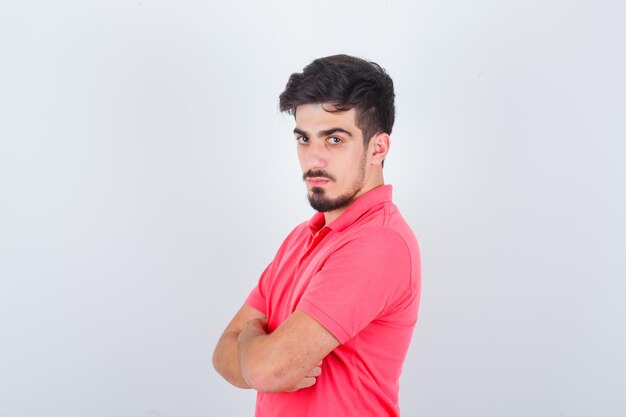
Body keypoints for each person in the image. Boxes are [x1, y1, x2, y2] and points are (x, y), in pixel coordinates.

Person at [212, 54, 421, 417]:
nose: (314, 158)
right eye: (304, 139)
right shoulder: (300, 238)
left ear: (378, 148)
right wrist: (258, 355)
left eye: (335, 139)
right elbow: (221, 356)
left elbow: (268, 368)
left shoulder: (379, 242)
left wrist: (249, 339)